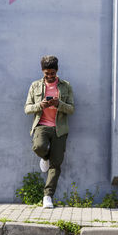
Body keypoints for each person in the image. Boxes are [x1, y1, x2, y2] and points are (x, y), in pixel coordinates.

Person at [24, 55, 74, 208]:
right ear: (43, 71)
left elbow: (71, 109)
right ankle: (45, 157)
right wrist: (41, 105)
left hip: (59, 129)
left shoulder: (66, 86)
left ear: (57, 70)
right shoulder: (35, 86)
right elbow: (27, 109)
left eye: (52, 73)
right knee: (39, 147)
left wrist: (59, 104)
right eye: (47, 73)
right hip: (42, 126)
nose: (50, 76)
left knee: (56, 164)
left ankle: (48, 196)